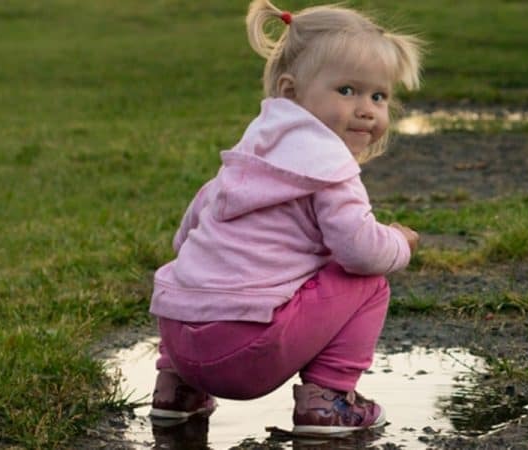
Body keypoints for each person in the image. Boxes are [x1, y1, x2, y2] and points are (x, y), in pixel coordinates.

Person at [147, 0, 422, 437]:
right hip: (246, 354)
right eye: (347, 91)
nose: (367, 109)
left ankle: (175, 392)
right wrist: (396, 243)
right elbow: (359, 251)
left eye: (379, 95)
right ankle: (328, 401)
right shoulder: (330, 168)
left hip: (181, 343)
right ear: (292, 92)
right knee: (368, 282)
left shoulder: (246, 155)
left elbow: (186, 240)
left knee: (195, 273)